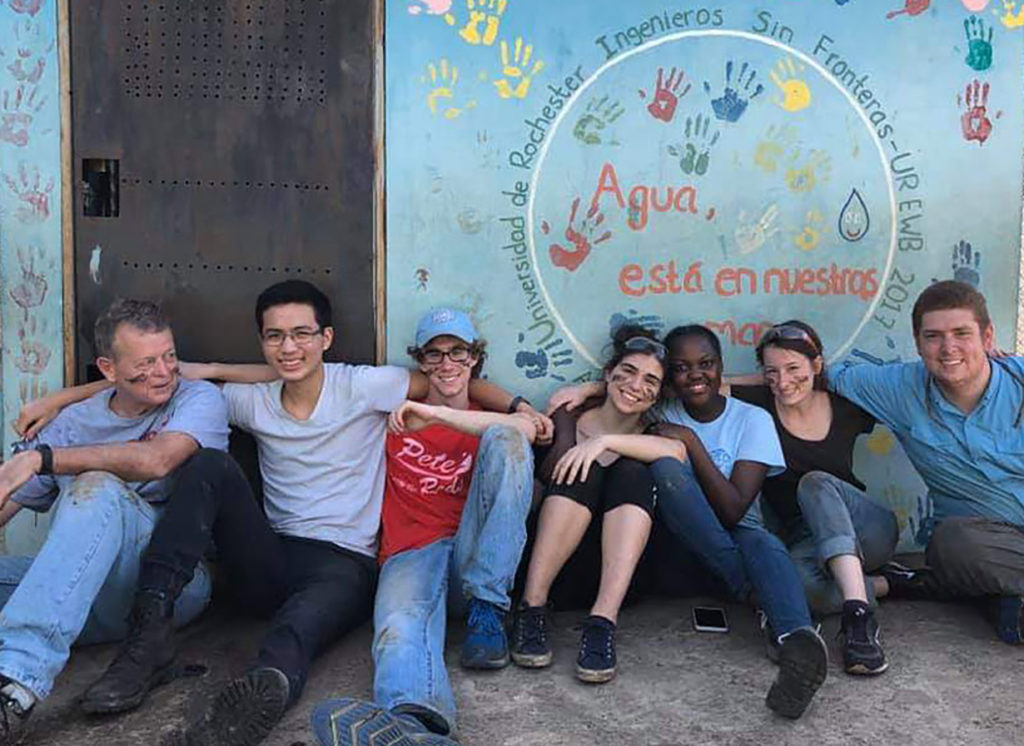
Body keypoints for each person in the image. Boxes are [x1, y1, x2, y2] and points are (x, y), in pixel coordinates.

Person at [20, 282, 550, 746]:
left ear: (327, 338)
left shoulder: (362, 385)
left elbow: (451, 381)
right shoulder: (248, 401)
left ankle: (263, 691)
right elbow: (154, 380)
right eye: (275, 336)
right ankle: (149, 634)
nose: (288, 346)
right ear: (262, 343)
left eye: (301, 333)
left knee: (301, 626)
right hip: (270, 555)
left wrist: (518, 406)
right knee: (206, 463)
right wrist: (68, 396)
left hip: (343, 561)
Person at [549, 324, 828, 718]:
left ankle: (794, 643)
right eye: (681, 368)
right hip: (677, 556)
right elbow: (627, 388)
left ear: (720, 367)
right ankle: (760, 598)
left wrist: (690, 443)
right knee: (664, 466)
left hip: (739, 542)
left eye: (706, 364)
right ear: (670, 380)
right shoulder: (661, 408)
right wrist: (587, 392)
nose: (695, 375)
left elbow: (733, 510)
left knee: (763, 541)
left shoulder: (752, 420)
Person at [0, 299, 228, 744]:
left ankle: (15, 684)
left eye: (169, 356)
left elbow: (158, 460)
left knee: (97, 485)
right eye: (145, 363)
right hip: (76, 586)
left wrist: (44, 460)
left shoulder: (199, 398)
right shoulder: (73, 422)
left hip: (169, 588)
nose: (163, 372)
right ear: (108, 368)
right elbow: (8, 501)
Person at [309, 308, 536, 746]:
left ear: (474, 359)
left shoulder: (483, 417)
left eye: (458, 353)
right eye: (434, 355)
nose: (447, 364)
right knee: (398, 625)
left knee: (510, 442)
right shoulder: (391, 413)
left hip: (475, 555)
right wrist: (210, 369)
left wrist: (438, 415)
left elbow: (525, 430)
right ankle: (415, 727)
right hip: (412, 549)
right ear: (421, 361)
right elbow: (304, 373)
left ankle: (489, 610)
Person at [824, 280, 1024, 644]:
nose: (949, 349)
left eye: (962, 333)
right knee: (952, 542)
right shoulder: (899, 388)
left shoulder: (1019, 379)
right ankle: (996, 596)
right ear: (917, 343)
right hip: (984, 541)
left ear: (987, 336)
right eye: (934, 336)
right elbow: (805, 375)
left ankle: (1005, 600)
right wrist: (719, 388)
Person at [511, 326, 685, 685]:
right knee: (583, 471)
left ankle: (602, 624)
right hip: (552, 572)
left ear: (656, 397)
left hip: (615, 579)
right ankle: (531, 610)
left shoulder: (654, 436)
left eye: (650, 381)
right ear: (608, 374)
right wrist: (587, 432)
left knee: (633, 472)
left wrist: (604, 441)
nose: (637, 385)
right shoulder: (567, 416)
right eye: (628, 373)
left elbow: (677, 453)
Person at [729, 321, 899, 675]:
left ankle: (858, 618)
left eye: (794, 368)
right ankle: (885, 584)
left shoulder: (846, 403)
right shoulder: (761, 404)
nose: (783, 381)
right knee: (797, 591)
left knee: (815, 483)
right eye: (771, 372)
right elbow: (703, 386)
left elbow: (910, 389)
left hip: (866, 528)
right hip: (808, 541)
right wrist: (594, 387)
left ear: (817, 366)